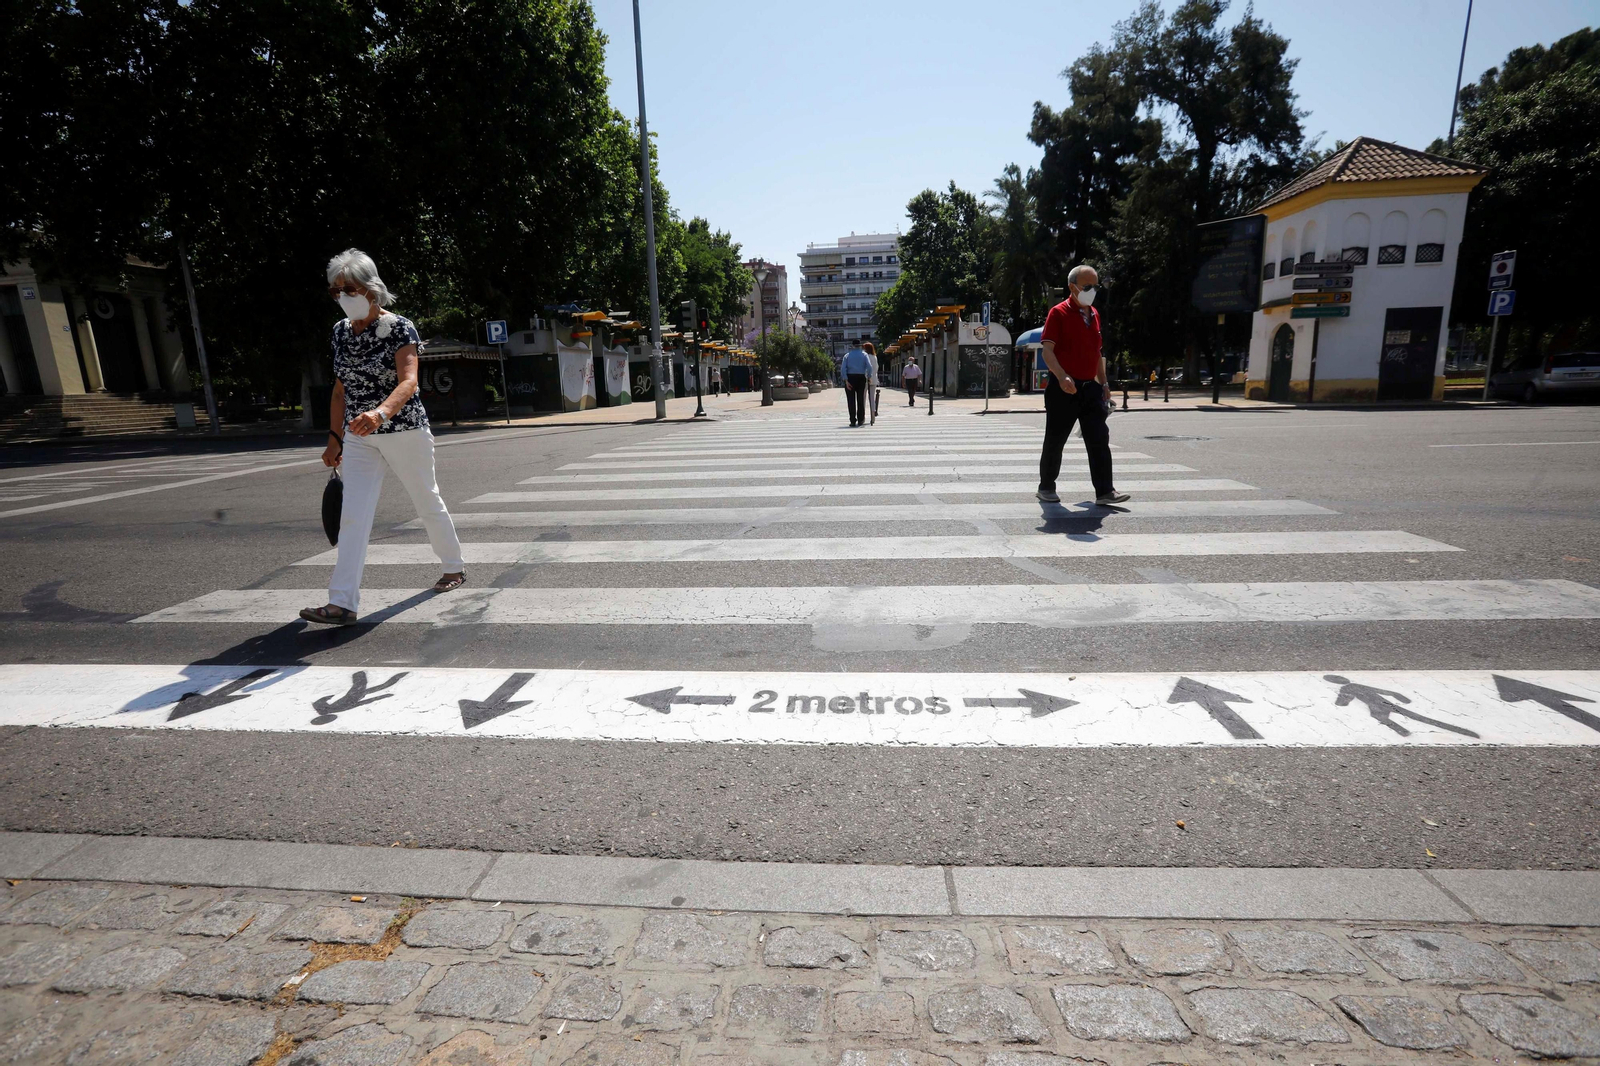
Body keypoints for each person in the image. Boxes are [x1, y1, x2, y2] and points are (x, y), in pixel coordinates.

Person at [300, 248, 466, 626]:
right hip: (359, 436)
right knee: (352, 517)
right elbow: (341, 390)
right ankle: (342, 603)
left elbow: (409, 380)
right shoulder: (340, 332)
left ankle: (453, 566)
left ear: (371, 289)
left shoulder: (400, 327)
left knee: (426, 500)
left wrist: (380, 413)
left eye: (350, 288)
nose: (343, 296)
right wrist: (334, 438)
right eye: (335, 290)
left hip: (403, 428)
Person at [1037, 264, 1130, 507]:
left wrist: (1104, 382)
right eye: (1087, 286)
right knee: (1056, 440)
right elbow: (1047, 351)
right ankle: (1046, 487)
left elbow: (1096, 353)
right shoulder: (1058, 313)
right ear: (1072, 287)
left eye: (1095, 286)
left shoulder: (1095, 314)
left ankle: (1105, 491)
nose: (1093, 291)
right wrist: (1061, 376)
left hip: (1091, 389)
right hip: (1063, 389)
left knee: (1099, 439)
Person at [840, 342, 872, 427]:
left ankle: (853, 420)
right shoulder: (864, 355)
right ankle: (861, 419)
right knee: (860, 399)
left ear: (852, 346)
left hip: (850, 378)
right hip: (861, 378)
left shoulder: (847, 355)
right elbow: (869, 367)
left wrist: (846, 380)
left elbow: (843, 368)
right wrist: (869, 376)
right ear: (860, 346)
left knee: (851, 400)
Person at [862, 341, 880, 425]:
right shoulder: (874, 357)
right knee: (872, 398)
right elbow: (876, 368)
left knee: (863, 398)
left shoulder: (866, 357)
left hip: (866, 379)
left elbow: (865, 368)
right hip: (874, 379)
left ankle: (863, 416)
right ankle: (873, 416)